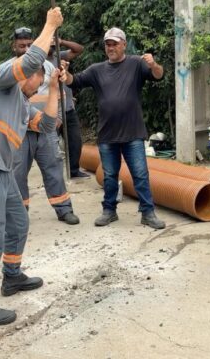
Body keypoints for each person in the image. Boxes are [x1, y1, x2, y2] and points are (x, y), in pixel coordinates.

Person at [0, 8, 63, 325]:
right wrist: (49, 26)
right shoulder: (0, 79)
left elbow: (47, 126)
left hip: (2, 172)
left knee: (18, 224)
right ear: (25, 74)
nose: (40, 84)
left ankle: (12, 276)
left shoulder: (20, 105)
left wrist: (56, 90)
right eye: (40, 80)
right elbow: (32, 60)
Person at [65, 27, 166, 230]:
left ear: (124, 45)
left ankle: (148, 213)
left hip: (133, 133)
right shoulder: (96, 70)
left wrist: (154, 64)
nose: (110, 48)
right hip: (107, 135)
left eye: (114, 44)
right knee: (110, 176)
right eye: (107, 44)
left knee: (140, 174)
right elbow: (74, 81)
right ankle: (109, 210)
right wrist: (63, 73)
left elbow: (158, 75)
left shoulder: (137, 64)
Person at [10, 28, 80, 225]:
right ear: (14, 46)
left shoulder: (48, 67)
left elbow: (58, 93)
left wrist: (57, 116)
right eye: (22, 45)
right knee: (17, 173)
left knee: (54, 168)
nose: (26, 49)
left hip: (46, 131)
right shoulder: (10, 70)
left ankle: (64, 209)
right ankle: (19, 213)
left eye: (30, 45)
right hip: (21, 133)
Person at [49, 38, 89, 179]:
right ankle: (54, 174)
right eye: (48, 43)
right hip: (50, 110)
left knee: (75, 141)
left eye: (52, 44)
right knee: (50, 146)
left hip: (68, 108)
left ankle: (74, 170)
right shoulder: (38, 62)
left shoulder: (60, 56)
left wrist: (61, 41)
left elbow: (79, 49)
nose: (51, 46)